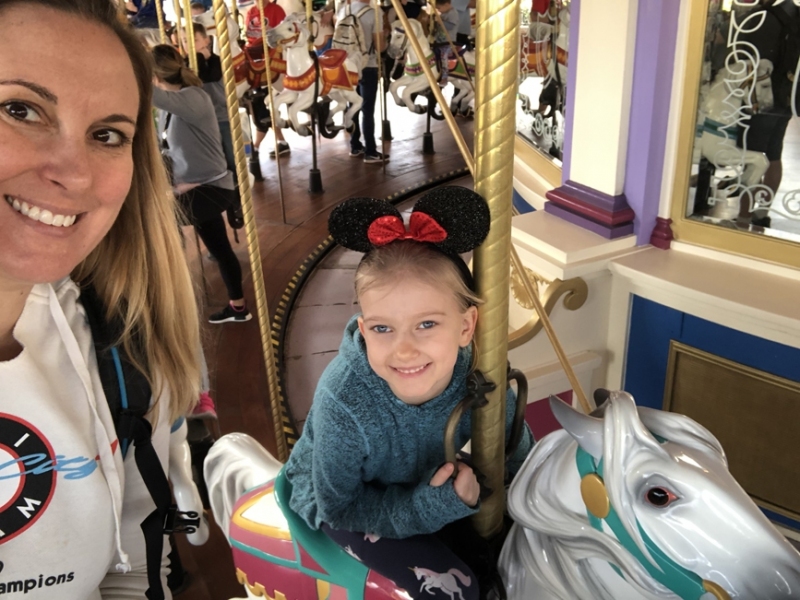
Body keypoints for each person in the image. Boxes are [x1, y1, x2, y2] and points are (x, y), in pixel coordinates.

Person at [0, 0, 202, 597]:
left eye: (108, 135)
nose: (77, 173)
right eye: (20, 110)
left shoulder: (128, 350)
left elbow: (135, 564)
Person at [284, 188, 534, 598]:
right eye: (383, 328)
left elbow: (515, 447)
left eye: (427, 324)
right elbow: (339, 505)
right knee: (458, 589)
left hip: (422, 477)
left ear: (467, 327)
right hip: (345, 503)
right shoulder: (345, 403)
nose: (404, 349)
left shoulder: (475, 370)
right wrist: (431, 506)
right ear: (364, 330)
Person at [151, 44, 252, 323]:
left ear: (154, 75)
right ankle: (238, 307)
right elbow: (169, 148)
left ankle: (171, 303)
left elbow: (146, 93)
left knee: (156, 223)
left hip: (213, 186)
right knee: (219, 247)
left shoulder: (194, 98)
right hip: (194, 186)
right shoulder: (167, 110)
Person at [337, 0, 390, 164]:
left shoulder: (343, 10)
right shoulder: (375, 13)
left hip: (347, 65)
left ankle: (355, 145)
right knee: (367, 108)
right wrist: (386, 36)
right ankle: (371, 151)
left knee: (353, 105)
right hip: (368, 64)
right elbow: (380, 47)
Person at [244, 0, 291, 158]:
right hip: (256, 53)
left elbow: (283, 34)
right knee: (259, 103)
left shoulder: (275, 10)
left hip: (272, 54)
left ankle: (255, 146)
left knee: (261, 103)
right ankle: (279, 142)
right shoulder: (251, 12)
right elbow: (249, 34)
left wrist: (268, 35)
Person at [433, 0, 459, 87]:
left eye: (439, 8)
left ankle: (445, 78)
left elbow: (450, 26)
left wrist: (440, 21)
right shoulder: (443, 13)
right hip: (440, 41)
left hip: (448, 41)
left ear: (447, 5)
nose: (438, 10)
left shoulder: (453, 13)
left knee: (444, 58)